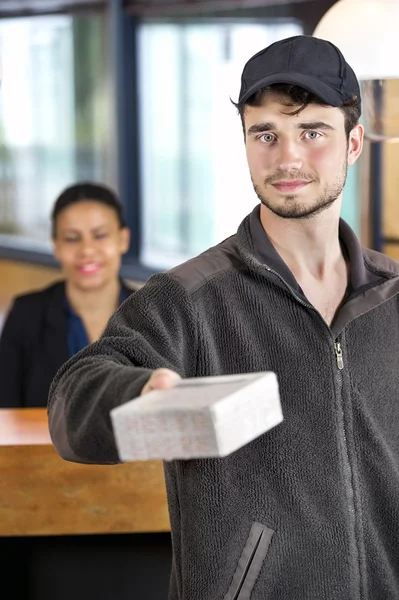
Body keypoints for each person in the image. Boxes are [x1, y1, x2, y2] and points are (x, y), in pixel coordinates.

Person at [48, 35, 399, 599]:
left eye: (312, 132)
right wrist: (139, 393)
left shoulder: (394, 298)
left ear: (354, 142)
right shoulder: (188, 299)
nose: (287, 158)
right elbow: (71, 402)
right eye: (266, 135)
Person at [0, 182, 135, 408]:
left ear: (123, 239)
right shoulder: (26, 315)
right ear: (56, 246)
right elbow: (4, 414)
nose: (87, 250)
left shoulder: (152, 314)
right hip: (43, 444)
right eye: (72, 238)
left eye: (100, 235)